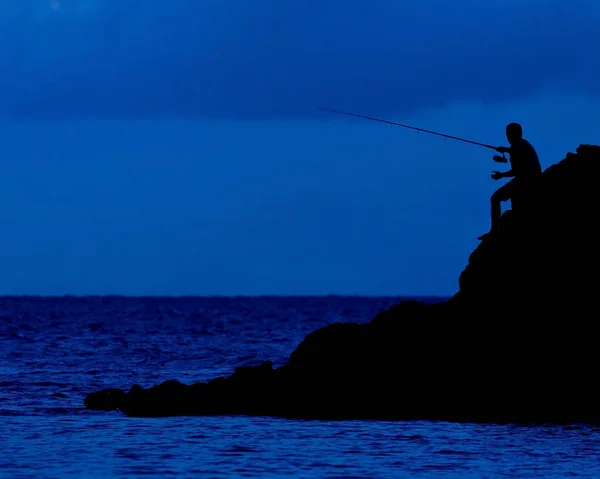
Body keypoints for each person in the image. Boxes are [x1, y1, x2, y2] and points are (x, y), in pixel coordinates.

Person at [478, 123, 542, 240]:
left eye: (509, 134)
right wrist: (505, 154)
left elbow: (517, 171)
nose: (507, 137)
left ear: (515, 134)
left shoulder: (518, 147)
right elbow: (516, 162)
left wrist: (501, 175)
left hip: (527, 180)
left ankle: (494, 231)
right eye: (507, 134)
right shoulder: (521, 145)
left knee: (495, 198)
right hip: (527, 178)